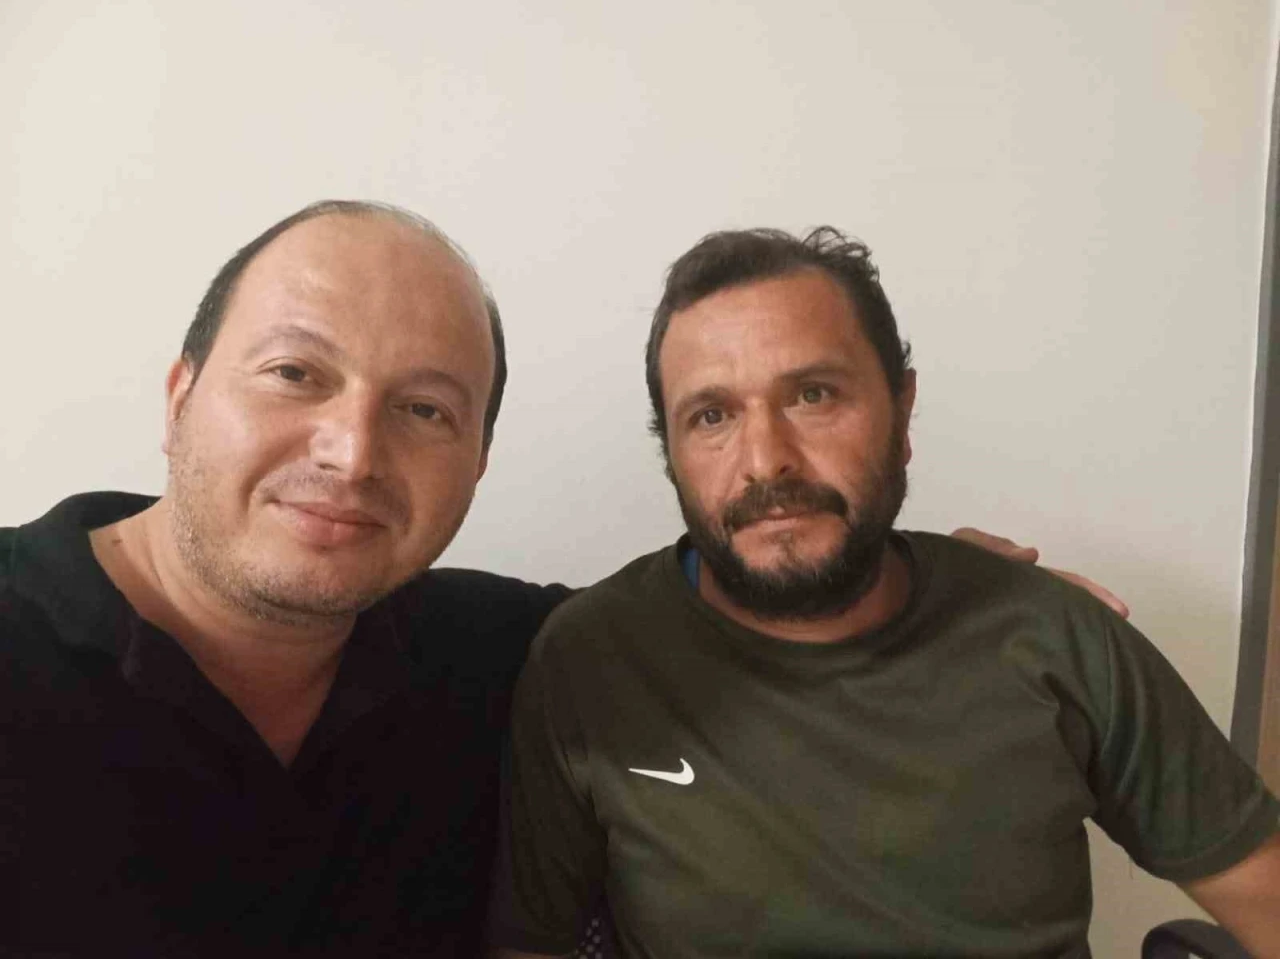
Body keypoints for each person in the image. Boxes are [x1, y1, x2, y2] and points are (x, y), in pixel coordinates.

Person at [0, 201, 1121, 957]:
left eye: (425, 409)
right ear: (180, 395)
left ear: (478, 459)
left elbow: (748, 617)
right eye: (295, 373)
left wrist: (936, 594)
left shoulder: (505, 655)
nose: (352, 452)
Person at [490, 227, 1280, 959]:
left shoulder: (1052, 635)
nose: (766, 459)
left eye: (813, 395)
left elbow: (1261, 891)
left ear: (901, 412)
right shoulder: (591, 661)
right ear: (672, 455)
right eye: (712, 416)